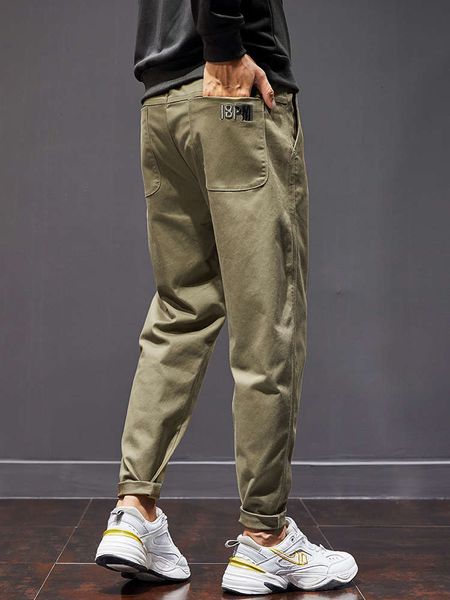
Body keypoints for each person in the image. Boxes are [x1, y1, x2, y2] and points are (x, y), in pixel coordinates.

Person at [95, 0, 358, 594]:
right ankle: (266, 537)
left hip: (162, 102)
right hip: (231, 93)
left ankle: (134, 512)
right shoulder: (226, 62)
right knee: (268, 318)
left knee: (180, 308)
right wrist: (224, 48)